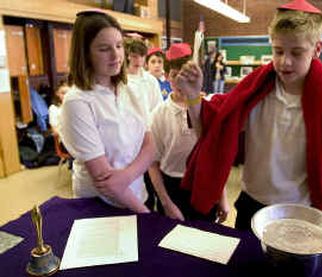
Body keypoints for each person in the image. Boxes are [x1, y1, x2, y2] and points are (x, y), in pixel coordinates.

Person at [175, 0, 322, 243]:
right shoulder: (253, 90)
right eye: (278, 51)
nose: (285, 61)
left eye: (297, 53)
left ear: (317, 49)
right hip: (252, 207)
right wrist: (193, 98)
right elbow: (210, 134)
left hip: (302, 215)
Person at [60, 10, 155, 213]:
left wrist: (127, 176)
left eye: (119, 46)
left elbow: (150, 146)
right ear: (85, 53)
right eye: (104, 49)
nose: (116, 56)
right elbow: (103, 178)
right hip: (100, 206)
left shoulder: (132, 88)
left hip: (139, 195)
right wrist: (147, 216)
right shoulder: (77, 101)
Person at [148, 43, 229, 222]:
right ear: (167, 77)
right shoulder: (158, 115)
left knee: (204, 240)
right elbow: (152, 164)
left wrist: (222, 196)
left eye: (185, 76)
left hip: (203, 183)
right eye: (175, 75)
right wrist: (167, 203)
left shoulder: (205, 108)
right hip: (171, 187)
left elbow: (215, 157)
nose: (180, 82)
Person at [125, 38, 163, 211]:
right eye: (134, 58)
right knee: (135, 189)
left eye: (142, 59)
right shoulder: (120, 80)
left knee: (152, 183)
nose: (138, 63)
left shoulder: (150, 81)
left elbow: (157, 109)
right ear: (127, 57)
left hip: (148, 138)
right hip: (129, 141)